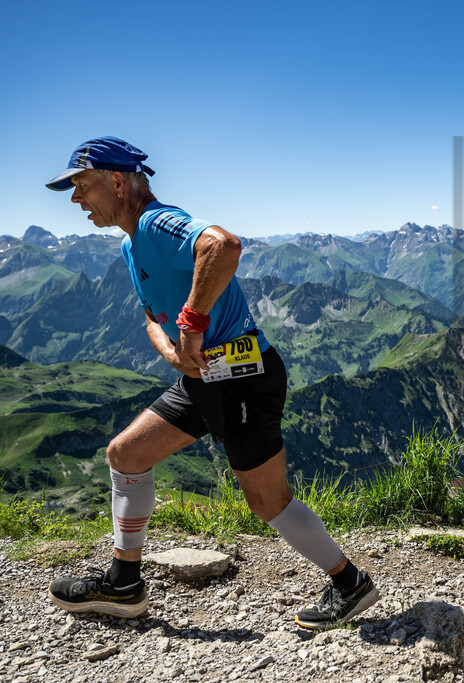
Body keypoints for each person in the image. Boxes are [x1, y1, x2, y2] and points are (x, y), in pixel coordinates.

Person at [43, 137, 378, 630]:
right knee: (125, 455)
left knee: (268, 502)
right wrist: (174, 351)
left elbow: (222, 245)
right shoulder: (129, 240)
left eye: (81, 185)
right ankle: (123, 583)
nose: (75, 199)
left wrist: (193, 322)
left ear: (117, 181)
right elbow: (151, 316)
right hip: (204, 378)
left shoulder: (157, 223)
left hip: (243, 377)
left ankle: (351, 585)